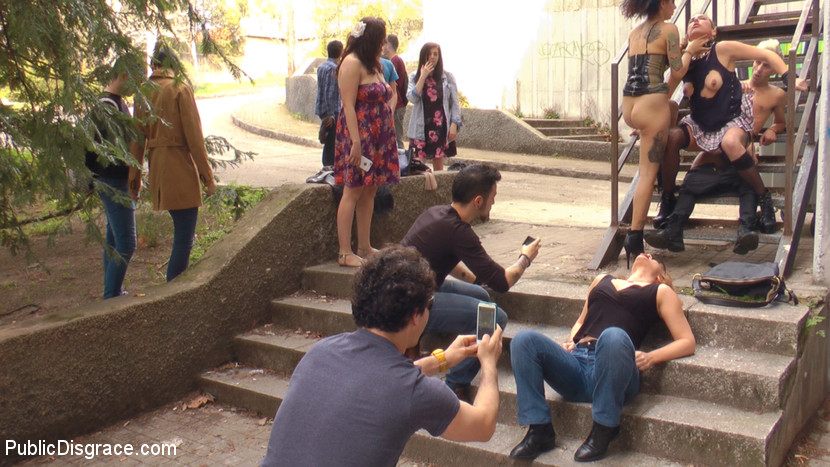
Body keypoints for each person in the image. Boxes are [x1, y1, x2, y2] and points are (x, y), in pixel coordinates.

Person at [260, 246, 503, 466]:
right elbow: (483, 425)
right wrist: (489, 362)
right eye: (429, 304)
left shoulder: (322, 351)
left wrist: (443, 360)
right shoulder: (413, 391)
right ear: (415, 315)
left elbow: (378, 382)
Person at [508, 254, 695, 462]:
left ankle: (604, 427)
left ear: (660, 276)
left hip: (615, 367)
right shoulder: (602, 280)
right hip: (577, 363)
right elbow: (581, 321)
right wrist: (571, 341)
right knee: (523, 340)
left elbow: (687, 341)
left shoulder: (660, 291)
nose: (647, 254)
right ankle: (539, 429)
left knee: (612, 335)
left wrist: (651, 357)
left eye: (653, 258)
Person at [654, 14, 806, 236]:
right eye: (691, 20)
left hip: (730, 122)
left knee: (731, 143)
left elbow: (765, 54)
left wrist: (789, 76)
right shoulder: (684, 61)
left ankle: (763, 198)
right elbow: (665, 93)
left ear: (713, 32)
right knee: (671, 137)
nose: (695, 20)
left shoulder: (722, 49)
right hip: (700, 126)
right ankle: (668, 200)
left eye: (702, 18)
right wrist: (647, 119)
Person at [401, 164, 541, 401]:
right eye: (493, 197)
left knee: (482, 295)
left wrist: (477, 279)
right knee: (495, 317)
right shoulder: (459, 232)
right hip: (411, 306)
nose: (493, 203)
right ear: (478, 201)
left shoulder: (436, 213)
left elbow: (448, 260)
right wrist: (525, 258)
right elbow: (503, 282)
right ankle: (455, 383)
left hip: (411, 288)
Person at [618, 0, 708, 264]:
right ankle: (635, 236)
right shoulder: (670, 29)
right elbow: (678, 72)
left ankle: (664, 197)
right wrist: (689, 51)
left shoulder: (635, 32)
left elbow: (652, 64)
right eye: (672, 2)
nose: (675, 6)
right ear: (662, 3)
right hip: (650, 103)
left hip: (630, 105)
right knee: (646, 174)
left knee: (671, 107)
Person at [128, 43, 216, 282]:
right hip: (179, 168)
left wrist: (133, 182)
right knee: (184, 238)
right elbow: (194, 138)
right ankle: (174, 289)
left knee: (182, 235)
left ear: (154, 65)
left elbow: (136, 142)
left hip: (158, 169)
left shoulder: (143, 93)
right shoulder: (180, 89)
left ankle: (174, 286)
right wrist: (207, 178)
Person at [334, 17, 400, 267]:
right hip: (360, 136)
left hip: (378, 137)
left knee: (370, 189)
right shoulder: (351, 63)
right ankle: (344, 252)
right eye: (381, 38)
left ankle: (364, 245)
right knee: (353, 189)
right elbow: (348, 105)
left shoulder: (375, 64)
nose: (384, 44)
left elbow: (390, 93)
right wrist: (355, 142)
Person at [85, 60, 137, 299]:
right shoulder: (107, 105)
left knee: (114, 240)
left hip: (113, 180)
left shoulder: (116, 102)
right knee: (127, 243)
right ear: (123, 74)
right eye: (135, 78)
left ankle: (112, 293)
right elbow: (102, 149)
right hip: (112, 180)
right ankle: (111, 297)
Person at [407, 42, 461, 171]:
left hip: (439, 126)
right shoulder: (414, 76)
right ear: (423, 56)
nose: (432, 57)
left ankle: (437, 184)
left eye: (435, 54)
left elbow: (455, 103)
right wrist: (423, 76)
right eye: (429, 54)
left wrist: (454, 124)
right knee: (418, 166)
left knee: (438, 164)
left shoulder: (447, 77)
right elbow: (412, 98)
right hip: (420, 126)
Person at [315, 40, 343, 168]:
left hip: (322, 108)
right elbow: (330, 92)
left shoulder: (322, 66)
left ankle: (328, 165)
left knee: (328, 139)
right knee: (331, 141)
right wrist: (331, 114)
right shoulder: (333, 69)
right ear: (340, 52)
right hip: (332, 111)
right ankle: (328, 167)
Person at [383, 34, 409, 149]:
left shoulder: (395, 61)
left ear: (389, 45)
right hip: (396, 104)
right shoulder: (392, 60)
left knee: (397, 137)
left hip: (397, 105)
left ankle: (401, 157)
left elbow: (395, 84)